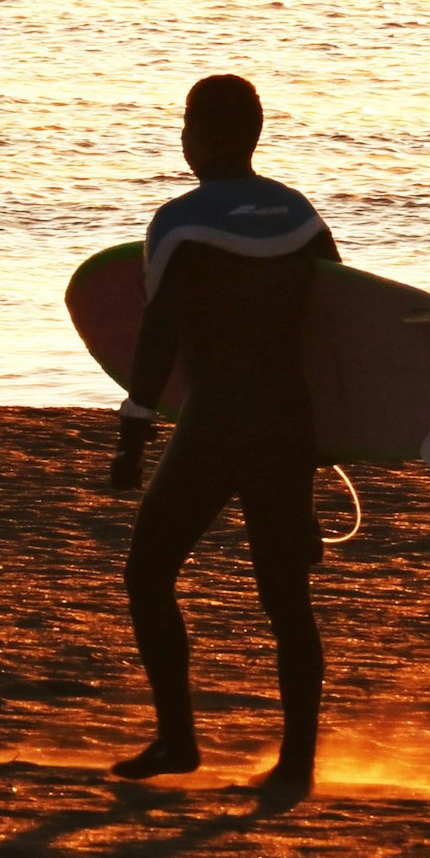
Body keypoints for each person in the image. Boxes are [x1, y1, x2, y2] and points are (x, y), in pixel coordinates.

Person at [105, 74, 340, 798]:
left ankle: (179, 738)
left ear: (200, 136)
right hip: (287, 419)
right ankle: (297, 763)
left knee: (148, 574)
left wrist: (134, 432)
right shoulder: (299, 214)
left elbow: (160, 331)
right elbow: (338, 323)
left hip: (218, 420)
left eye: (184, 124)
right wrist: (330, 446)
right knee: (286, 597)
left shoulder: (181, 221)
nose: (182, 137)